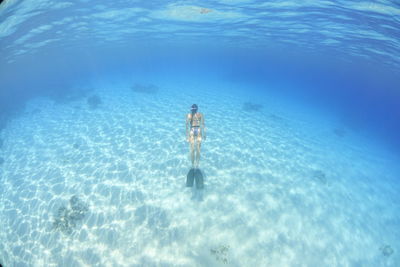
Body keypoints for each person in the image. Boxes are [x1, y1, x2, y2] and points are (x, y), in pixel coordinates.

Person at [186, 104, 206, 169]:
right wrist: (204, 134)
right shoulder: (201, 115)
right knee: (197, 150)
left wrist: (187, 136)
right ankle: (196, 165)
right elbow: (203, 125)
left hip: (192, 130)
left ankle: (193, 165)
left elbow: (187, 126)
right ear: (197, 109)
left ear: (191, 109)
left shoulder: (189, 115)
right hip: (198, 130)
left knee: (193, 150)